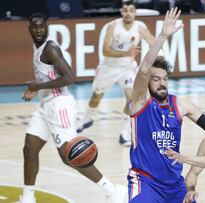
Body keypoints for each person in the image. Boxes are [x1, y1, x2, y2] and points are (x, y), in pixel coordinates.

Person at [21, 13, 126, 203]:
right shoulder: (37, 48)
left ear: (47, 27)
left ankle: (113, 190)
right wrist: (36, 88)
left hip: (59, 105)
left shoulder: (50, 48)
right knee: (29, 149)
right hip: (45, 106)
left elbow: (69, 78)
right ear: (29, 29)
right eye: (34, 27)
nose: (38, 30)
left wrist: (37, 86)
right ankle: (28, 198)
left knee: (69, 155)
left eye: (41, 27)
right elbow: (50, 77)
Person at [127, 8, 205, 202]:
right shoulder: (141, 102)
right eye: (156, 79)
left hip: (175, 184)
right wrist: (162, 36)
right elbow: (143, 71)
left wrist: (197, 170)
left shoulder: (181, 104)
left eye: (165, 79)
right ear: (148, 83)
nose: (162, 83)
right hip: (145, 182)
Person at [76, 0, 156, 146]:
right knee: (96, 96)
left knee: (132, 99)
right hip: (108, 67)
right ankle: (87, 119)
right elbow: (105, 50)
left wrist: (162, 40)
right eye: (125, 10)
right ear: (121, 12)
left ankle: (125, 134)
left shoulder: (140, 27)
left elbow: (154, 42)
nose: (128, 13)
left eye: (131, 10)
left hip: (128, 69)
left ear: (135, 12)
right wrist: (125, 53)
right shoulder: (113, 26)